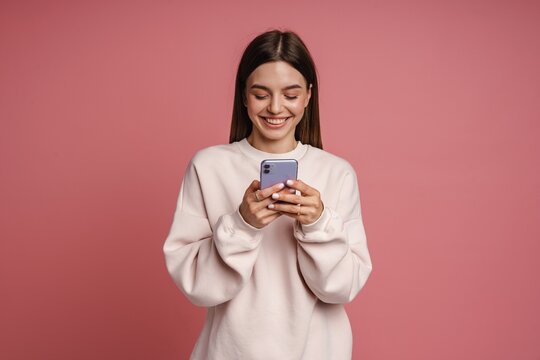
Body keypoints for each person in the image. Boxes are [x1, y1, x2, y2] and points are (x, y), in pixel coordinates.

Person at [162, 29, 373, 360]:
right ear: (244, 96)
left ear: (308, 96)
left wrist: (318, 223)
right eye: (261, 94)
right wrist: (241, 224)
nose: (276, 108)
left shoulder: (338, 173)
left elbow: (341, 288)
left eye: (290, 94)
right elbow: (197, 286)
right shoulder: (208, 167)